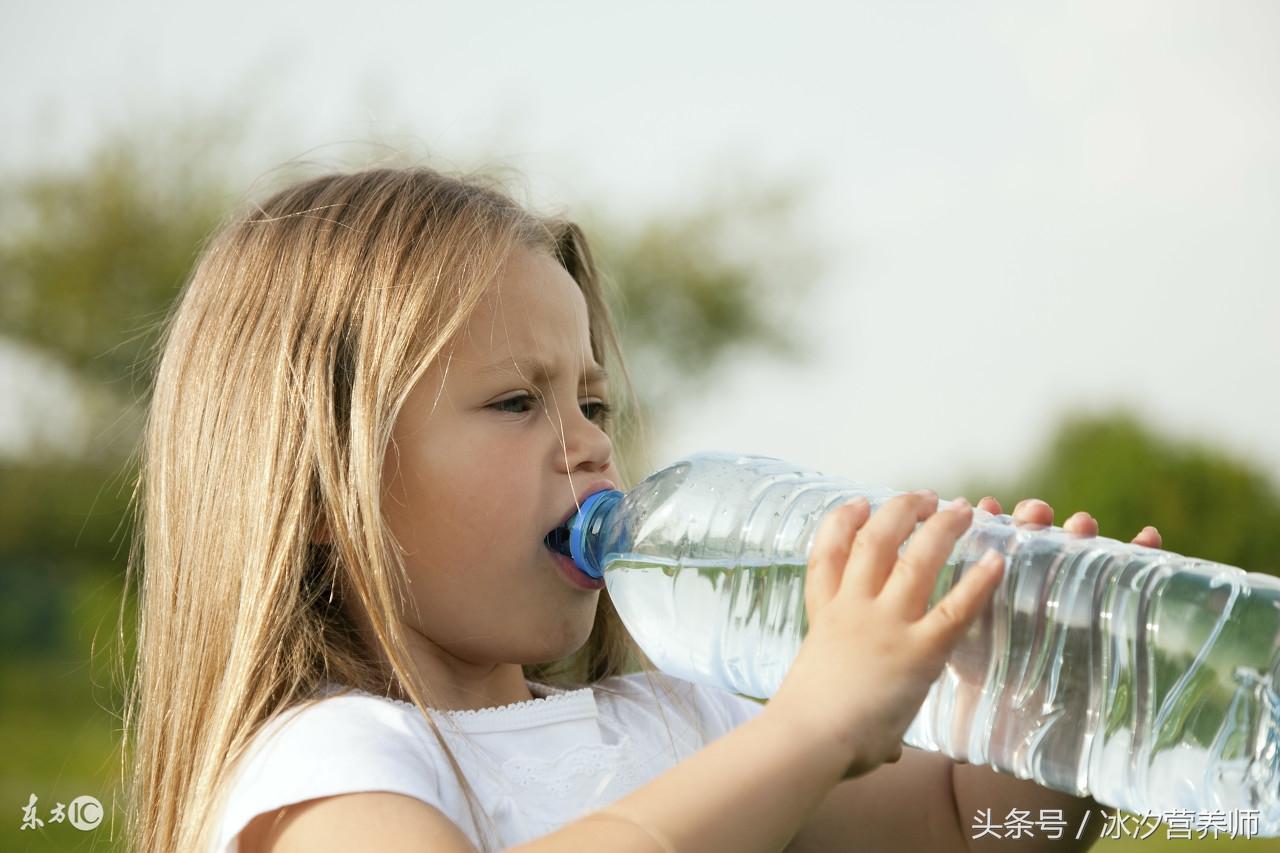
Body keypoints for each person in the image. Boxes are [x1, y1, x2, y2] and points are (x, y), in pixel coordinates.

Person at [120, 164, 1162, 853]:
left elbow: (965, 830)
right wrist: (806, 727)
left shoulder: (676, 720)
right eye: (516, 401)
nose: (585, 441)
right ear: (318, 484)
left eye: (592, 400)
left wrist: (1041, 711)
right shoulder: (328, 766)